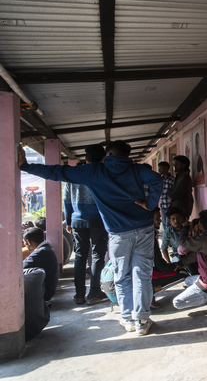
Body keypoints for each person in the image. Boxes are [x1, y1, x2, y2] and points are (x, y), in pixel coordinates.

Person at [18, 140, 163, 336]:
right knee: (142, 275)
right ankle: (143, 321)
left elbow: (57, 172)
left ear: (108, 154)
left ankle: (128, 318)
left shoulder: (94, 171)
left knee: (122, 276)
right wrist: (150, 204)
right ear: (127, 156)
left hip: (118, 234)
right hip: (144, 230)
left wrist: (25, 166)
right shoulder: (136, 170)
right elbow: (157, 180)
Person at [64, 144, 109, 305]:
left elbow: (67, 199)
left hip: (78, 221)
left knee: (80, 256)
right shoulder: (103, 173)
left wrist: (69, 220)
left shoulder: (73, 174)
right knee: (98, 256)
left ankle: (79, 295)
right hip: (99, 220)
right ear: (103, 158)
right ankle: (94, 292)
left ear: (86, 158)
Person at [151, 207, 186, 309]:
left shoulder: (186, 229)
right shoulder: (159, 234)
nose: (161, 221)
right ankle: (150, 292)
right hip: (147, 274)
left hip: (146, 272)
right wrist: (173, 266)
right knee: (182, 273)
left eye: (178, 218)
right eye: (158, 218)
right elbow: (160, 261)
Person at [22, 227, 59, 302]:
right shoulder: (47, 246)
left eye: (24, 242)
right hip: (50, 289)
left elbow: (20, 267)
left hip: (45, 293)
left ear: (28, 242)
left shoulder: (40, 253)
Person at [169, 155, 194, 219]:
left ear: (183, 165)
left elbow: (172, 195)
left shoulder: (184, 178)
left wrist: (169, 192)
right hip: (178, 209)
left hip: (183, 210)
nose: (175, 165)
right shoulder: (179, 176)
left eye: (177, 163)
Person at [157, 161, 175, 230]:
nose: (159, 170)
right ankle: (166, 239)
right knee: (164, 224)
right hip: (163, 205)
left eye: (161, 168)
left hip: (169, 205)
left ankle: (170, 239)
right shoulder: (160, 179)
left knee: (169, 224)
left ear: (166, 168)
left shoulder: (172, 179)